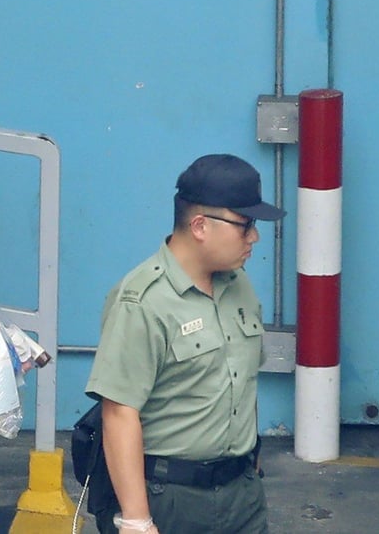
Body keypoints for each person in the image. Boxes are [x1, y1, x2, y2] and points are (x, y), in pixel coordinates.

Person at [85, 153, 285, 534]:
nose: (255, 237)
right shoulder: (143, 300)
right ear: (199, 226)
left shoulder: (238, 285)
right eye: (246, 225)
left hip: (241, 494)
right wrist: (136, 520)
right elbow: (118, 413)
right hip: (170, 498)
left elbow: (242, 381)